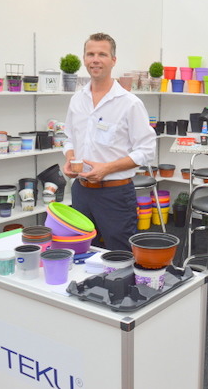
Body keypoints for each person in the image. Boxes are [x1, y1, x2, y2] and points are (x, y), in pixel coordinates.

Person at [62, 32, 156, 251]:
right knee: (82, 251)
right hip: (81, 191)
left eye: (102, 54)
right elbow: (69, 138)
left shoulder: (129, 103)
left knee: (120, 254)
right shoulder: (77, 100)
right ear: (84, 59)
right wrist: (70, 159)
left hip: (115, 194)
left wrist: (107, 168)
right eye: (90, 54)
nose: (95, 60)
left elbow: (147, 150)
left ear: (113, 60)